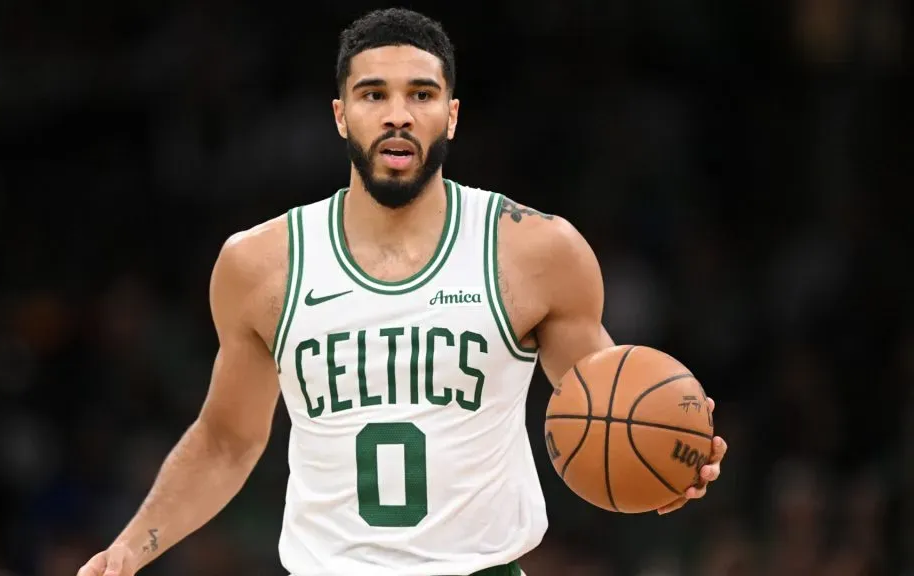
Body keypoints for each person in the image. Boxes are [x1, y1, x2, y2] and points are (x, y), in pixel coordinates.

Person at [76, 8, 728, 576]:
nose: (396, 115)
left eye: (421, 94)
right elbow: (226, 441)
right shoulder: (261, 265)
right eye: (372, 94)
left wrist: (670, 462)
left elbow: (605, 412)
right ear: (340, 115)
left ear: (452, 113)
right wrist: (133, 547)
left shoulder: (536, 251)